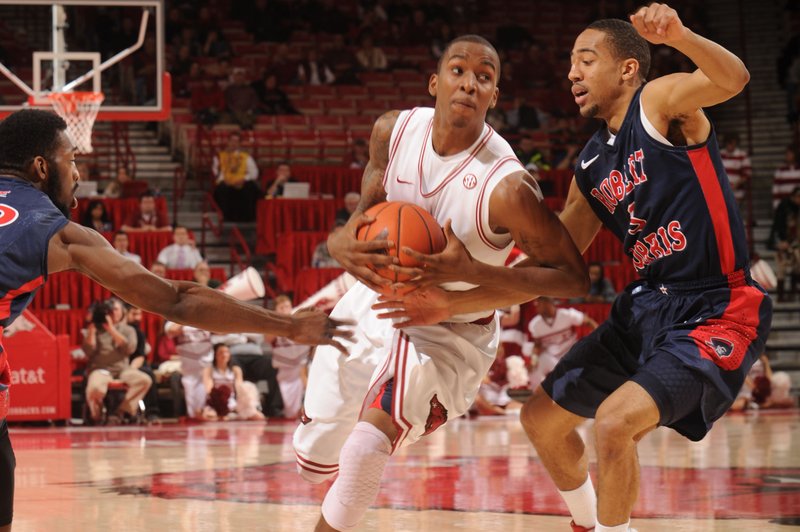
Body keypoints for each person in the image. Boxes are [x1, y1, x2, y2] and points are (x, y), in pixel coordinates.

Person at [375, 8, 774, 532]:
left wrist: (679, 37)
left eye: (586, 61)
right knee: (540, 421)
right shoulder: (590, 166)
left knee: (612, 426)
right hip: (647, 305)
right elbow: (548, 269)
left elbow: (733, 78)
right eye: (570, 63)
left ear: (628, 70)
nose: (572, 74)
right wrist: (458, 290)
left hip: (716, 306)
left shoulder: (658, 105)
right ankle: (587, 523)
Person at [0, 109, 351, 531]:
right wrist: (291, 327)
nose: (77, 173)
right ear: (41, 167)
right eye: (71, 159)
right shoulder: (57, 231)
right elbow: (178, 301)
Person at [292, 34, 588, 532]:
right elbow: (359, 219)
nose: (469, 83)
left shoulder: (507, 187)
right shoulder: (392, 131)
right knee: (313, 461)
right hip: (376, 302)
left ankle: (588, 521)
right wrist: (339, 242)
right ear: (435, 81)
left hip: (451, 329)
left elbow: (572, 278)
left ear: (494, 97)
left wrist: (467, 276)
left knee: (368, 446)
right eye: (458, 70)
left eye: (485, 77)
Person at [82, 298, 148, 424]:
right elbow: (88, 352)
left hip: (123, 370)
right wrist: (91, 330)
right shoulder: (94, 330)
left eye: (116, 309)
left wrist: (111, 329)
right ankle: (97, 415)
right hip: (101, 370)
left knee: (144, 380)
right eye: (110, 310)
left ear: (122, 312)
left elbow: (129, 349)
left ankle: (121, 411)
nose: (113, 313)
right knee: (95, 387)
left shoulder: (129, 330)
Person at [526, 297, 598, 390]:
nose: (536, 307)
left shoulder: (566, 314)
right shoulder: (535, 324)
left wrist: (598, 336)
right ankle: (537, 394)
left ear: (548, 303)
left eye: (539, 304)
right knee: (535, 368)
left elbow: (588, 321)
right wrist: (534, 359)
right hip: (552, 358)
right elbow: (537, 345)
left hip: (571, 355)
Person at [202, 343, 265, 420]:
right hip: (215, 401)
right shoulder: (209, 370)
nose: (224, 355)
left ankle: (233, 415)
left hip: (232, 402)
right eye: (221, 352)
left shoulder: (236, 369)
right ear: (215, 355)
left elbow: (240, 388)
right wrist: (219, 399)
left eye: (226, 352)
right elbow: (208, 388)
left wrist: (247, 402)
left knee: (259, 417)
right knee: (210, 416)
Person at [212, 132, 261, 222]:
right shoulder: (219, 156)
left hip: (242, 181)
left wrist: (244, 179)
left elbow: (254, 173)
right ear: (228, 142)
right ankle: (225, 218)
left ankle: (248, 218)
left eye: (237, 141)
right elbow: (216, 172)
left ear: (239, 144)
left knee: (251, 188)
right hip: (226, 182)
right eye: (232, 141)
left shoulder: (246, 157)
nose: (234, 143)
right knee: (221, 189)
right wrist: (225, 180)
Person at [768, 187, 800, 301]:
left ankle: (792, 293)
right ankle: (780, 296)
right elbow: (777, 226)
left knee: (796, 267)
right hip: (782, 242)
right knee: (781, 269)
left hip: (795, 244)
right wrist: (780, 242)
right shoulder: (784, 208)